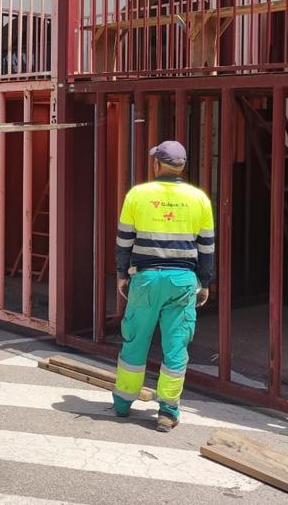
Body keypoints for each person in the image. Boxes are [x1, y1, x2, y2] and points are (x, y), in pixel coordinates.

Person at [112, 140, 216, 432]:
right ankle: (167, 412)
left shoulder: (137, 195)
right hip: (182, 281)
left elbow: (124, 240)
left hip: (145, 279)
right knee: (175, 345)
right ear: (182, 166)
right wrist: (205, 282)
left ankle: (122, 403)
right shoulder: (200, 199)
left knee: (135, 340)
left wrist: (122, 274)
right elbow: (206, 247)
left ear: (157, 164)